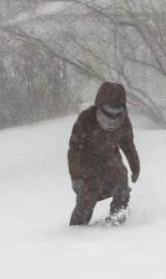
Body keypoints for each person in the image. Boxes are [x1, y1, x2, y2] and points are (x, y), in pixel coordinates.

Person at [67, 82, 140, 226]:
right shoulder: (86, 118)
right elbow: (75, 149)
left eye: (117, 111)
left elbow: (128, 144)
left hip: (112, 162)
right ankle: (75, 231)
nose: (113, 116)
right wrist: (75, 176)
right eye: (108, 110)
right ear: (100, 105)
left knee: (122, 187)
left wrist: (135, 166)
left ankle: (117, 220)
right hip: (87, 166)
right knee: (86, 202)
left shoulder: (123, 120)